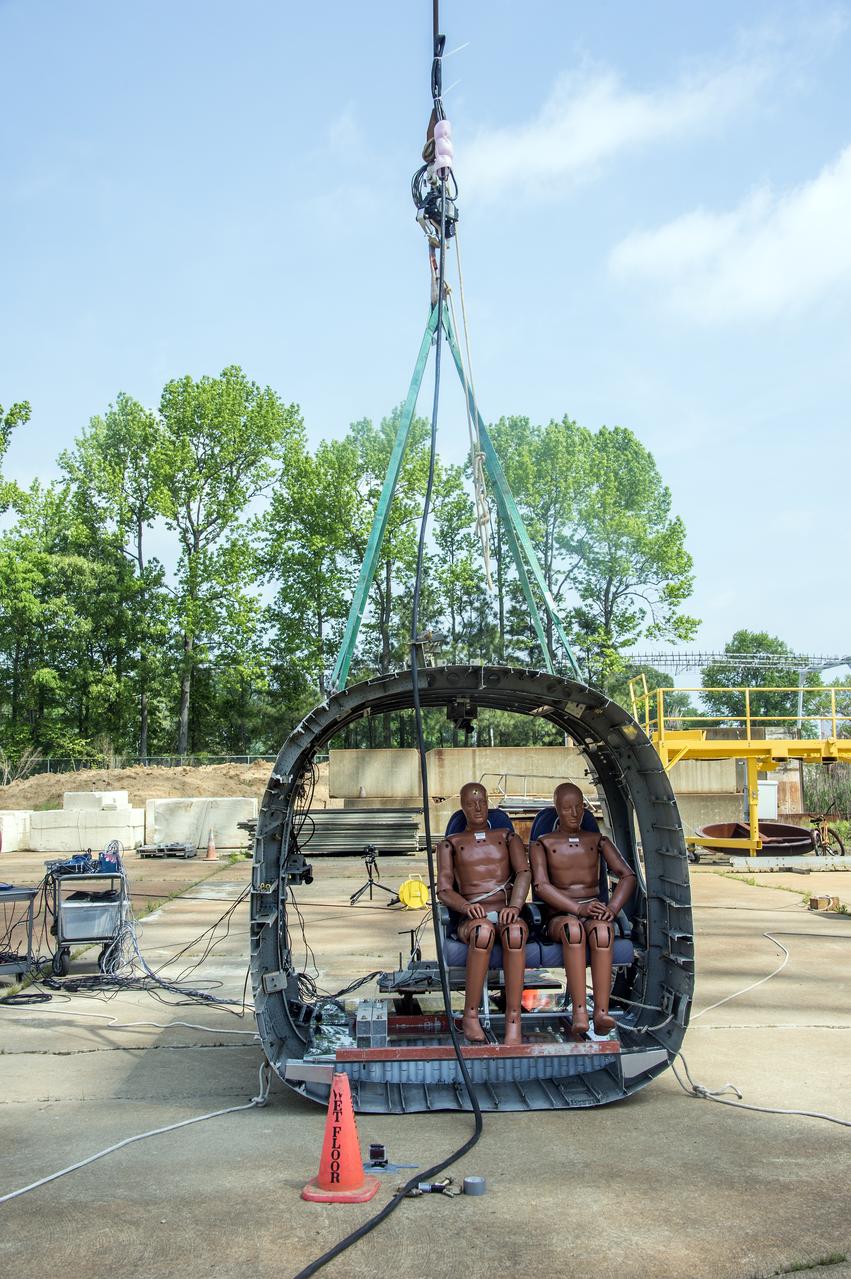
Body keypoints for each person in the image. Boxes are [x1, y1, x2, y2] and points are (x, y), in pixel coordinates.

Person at [530, 782, 636, 1035]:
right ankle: (579, 1011)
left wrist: (612, 907)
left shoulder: (597, 840)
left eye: (579, 807)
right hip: (560, 915)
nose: (575, 813)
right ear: (557, 809)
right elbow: (542, 887)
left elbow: (627, 875)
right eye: (567, 808)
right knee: (573, 931)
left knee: (603, 932)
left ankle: (601, 1012)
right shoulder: (542, 843)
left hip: (593, 910)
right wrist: (578, 908)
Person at [436, 782, 530, 1045]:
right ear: (462, 807)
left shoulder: (508, 837)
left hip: (506, 913)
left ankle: (514, 1019)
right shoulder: (449, 845)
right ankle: (470, 1015)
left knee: (516, 932)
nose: (477, 807)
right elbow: (443, 889)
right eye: (471, 803)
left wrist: (515, 906)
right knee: (482, 931)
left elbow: (524, 872)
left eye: (482, 802)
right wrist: (465, 907)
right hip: (471, 919)